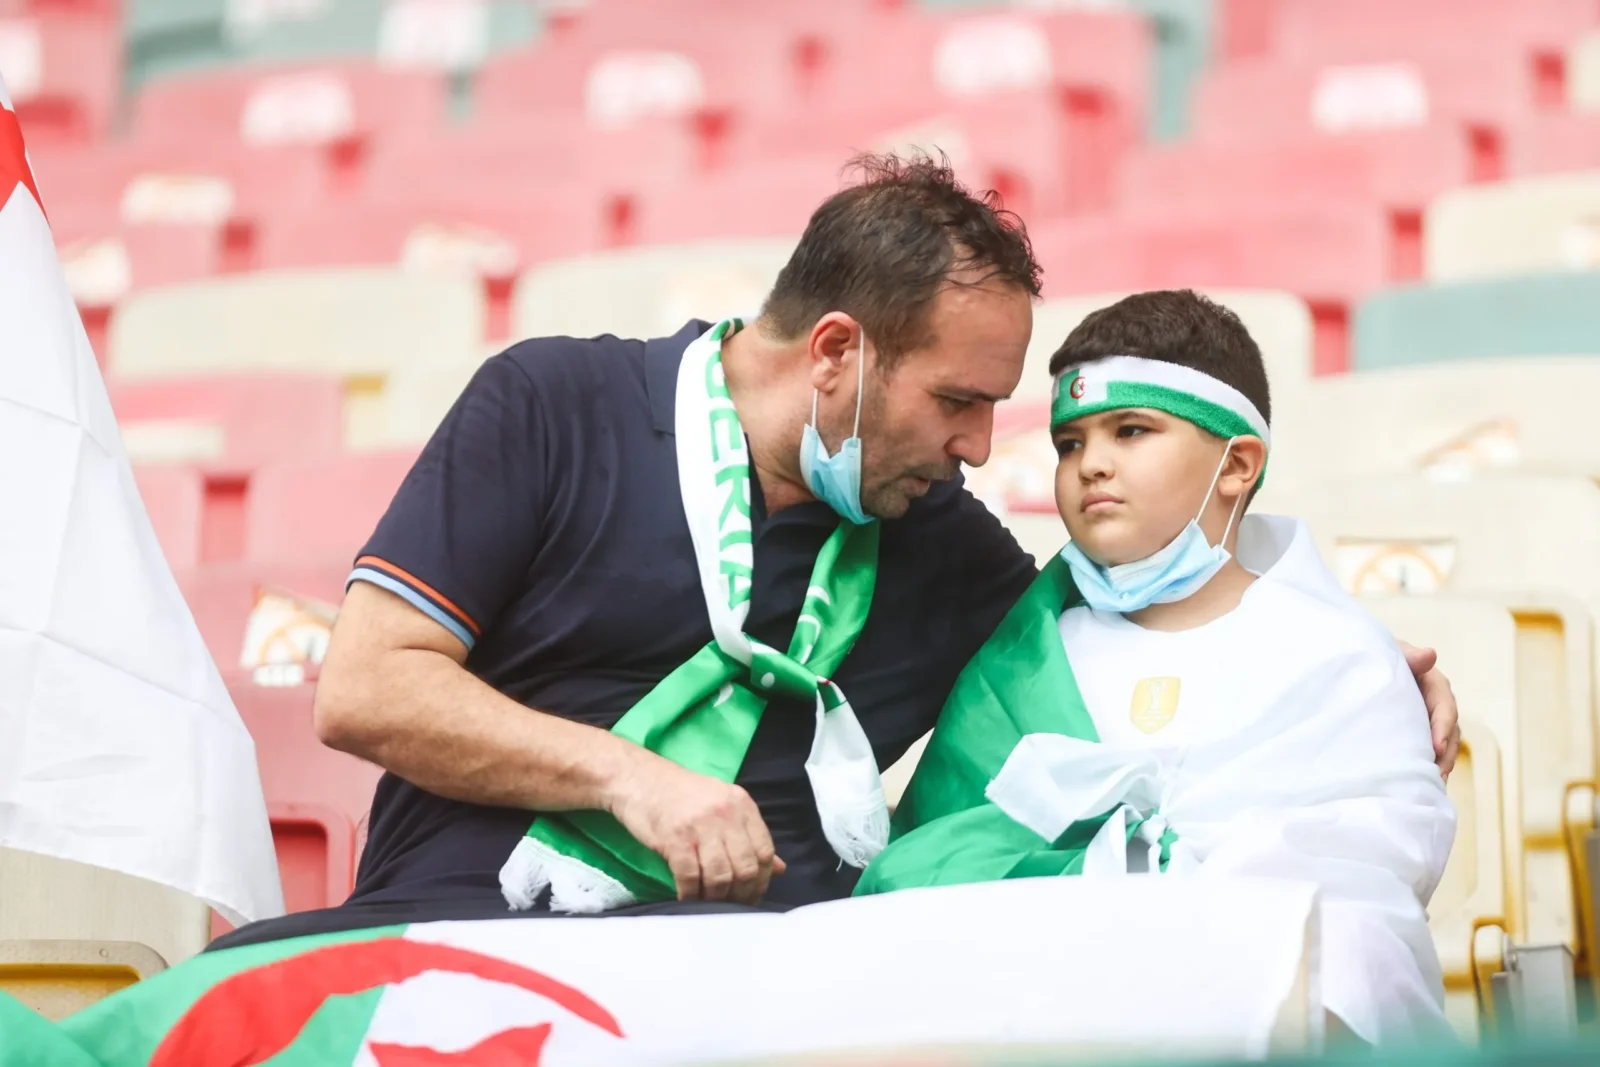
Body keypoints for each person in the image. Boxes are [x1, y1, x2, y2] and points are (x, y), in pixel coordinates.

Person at [209, 157, 1460, 949]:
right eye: (960, 400)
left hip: (762, 998)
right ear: (836, 355)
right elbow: (368, 684)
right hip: (460, 936)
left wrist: (1346, 660)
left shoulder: (933, 536)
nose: (981, 447)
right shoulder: (550, 404)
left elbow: (1119, 631)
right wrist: (630, 779)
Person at [855, 290, 1456, 1045]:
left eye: (1131, 430)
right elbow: (926, 867)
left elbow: (1374, 873)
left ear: (1237, 464)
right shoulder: (1022, 660)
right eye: (1069, 443)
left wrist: (1181, 899)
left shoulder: (1336, 658)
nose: (1090, 464)